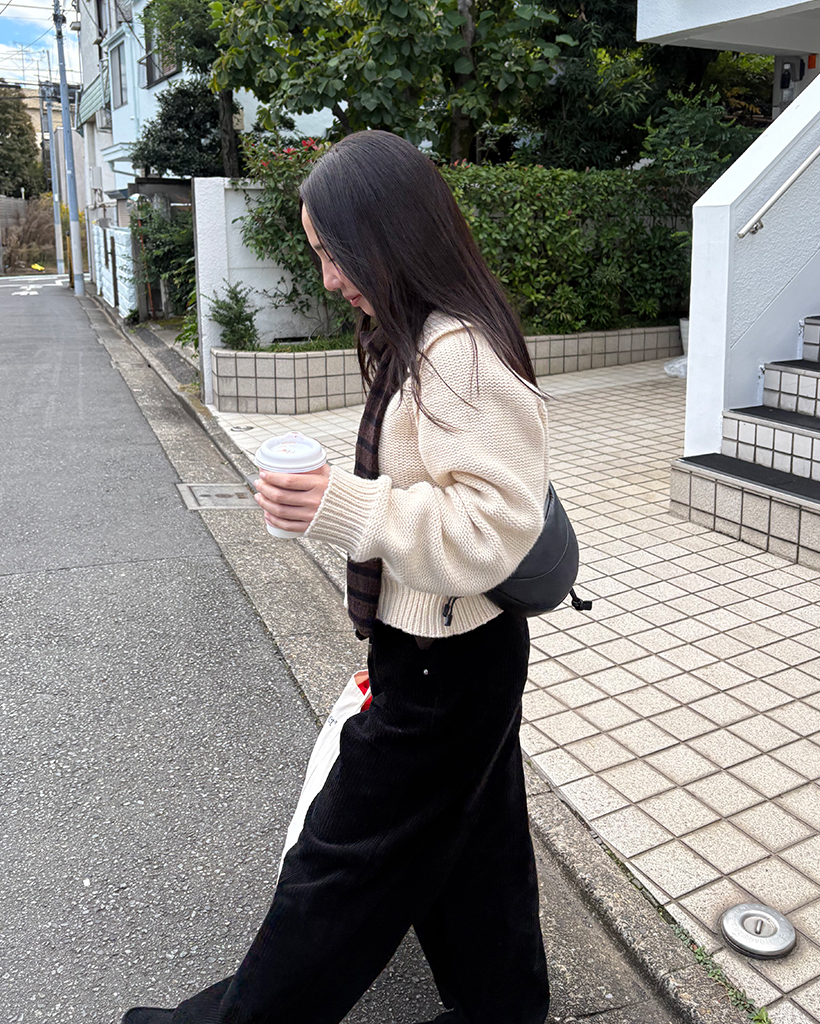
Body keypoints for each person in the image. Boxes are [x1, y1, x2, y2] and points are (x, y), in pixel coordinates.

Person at [123, 129, 551, 1024]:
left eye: (332, 252)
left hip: (443, 667)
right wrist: (345, 494)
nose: (327, 278)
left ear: (388, 235)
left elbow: (496, 531)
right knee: (476, 845)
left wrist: (341, 504)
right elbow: (440, 484)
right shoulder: (424, 336)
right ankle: (504, 1009)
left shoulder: (458, 354)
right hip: (450, 654)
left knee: (340, 866)